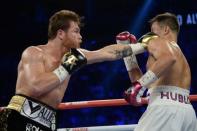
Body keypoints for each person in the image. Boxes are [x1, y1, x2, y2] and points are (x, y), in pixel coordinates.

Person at [0, 10, 144, 131]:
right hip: (20, 118)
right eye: (76, 31)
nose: (80, 37)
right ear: (61, 33)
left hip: (48, 121)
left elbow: (108, 53)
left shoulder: (75, 56)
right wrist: (66, 67)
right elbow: (36, 87)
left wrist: (143, 46)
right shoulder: (34, 53)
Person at [116, 12, 197, 131]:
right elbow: (140, 81)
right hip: (187, 113)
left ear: (166, 30)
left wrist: (139, 86)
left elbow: (140, 84)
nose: (151, 36)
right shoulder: (181, 59)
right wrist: (129, 55)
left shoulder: (166, 51)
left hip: (165, 109)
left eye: (154, 31)